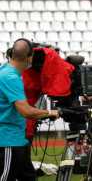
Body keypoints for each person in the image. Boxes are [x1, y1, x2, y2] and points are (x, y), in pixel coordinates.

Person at [0, 38, 59, 181]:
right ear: (29, 57)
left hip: (18, 141)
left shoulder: (5, 70)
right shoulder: (11, 77)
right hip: (8, 141)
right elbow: (25, 111)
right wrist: (49, 112)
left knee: (29, 177)